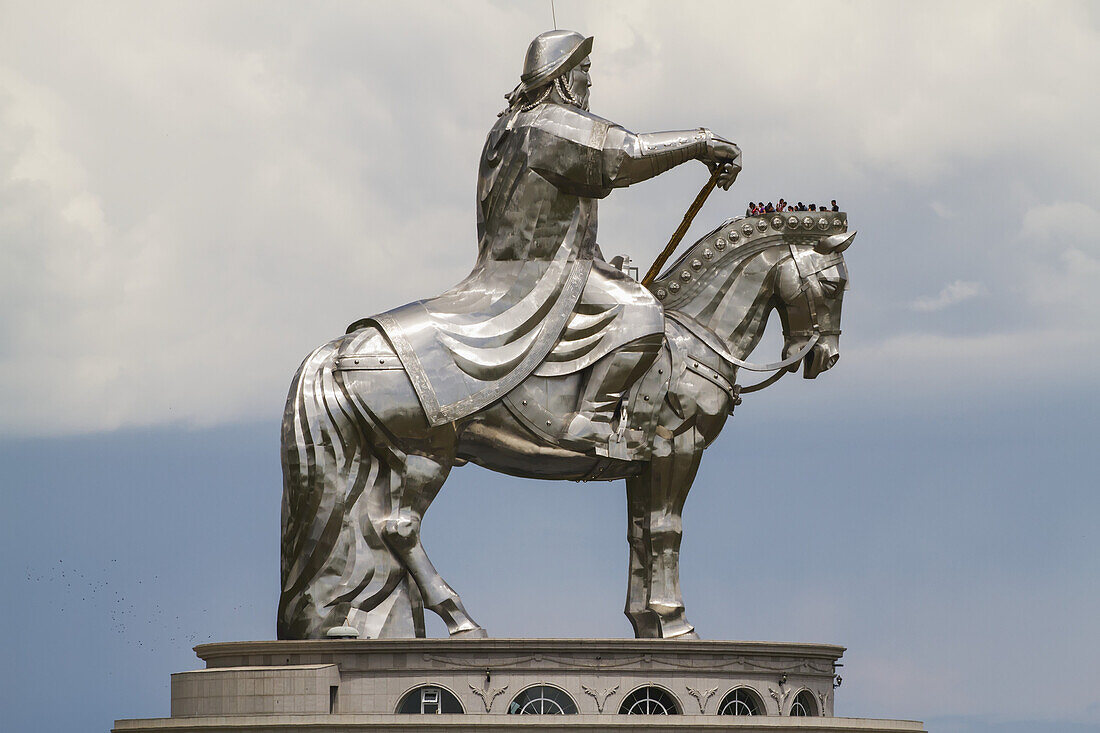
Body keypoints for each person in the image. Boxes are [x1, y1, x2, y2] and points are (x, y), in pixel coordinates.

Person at [364, 30, 742, 446]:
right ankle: (591, 419)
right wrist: (700, 143)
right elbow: (625, 154)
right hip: (545, 279)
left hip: (508, 272)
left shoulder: (506, 128)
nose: (589, 81)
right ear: (561, 77)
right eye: (584, 70)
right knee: (642, 314)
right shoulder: (549, 126)